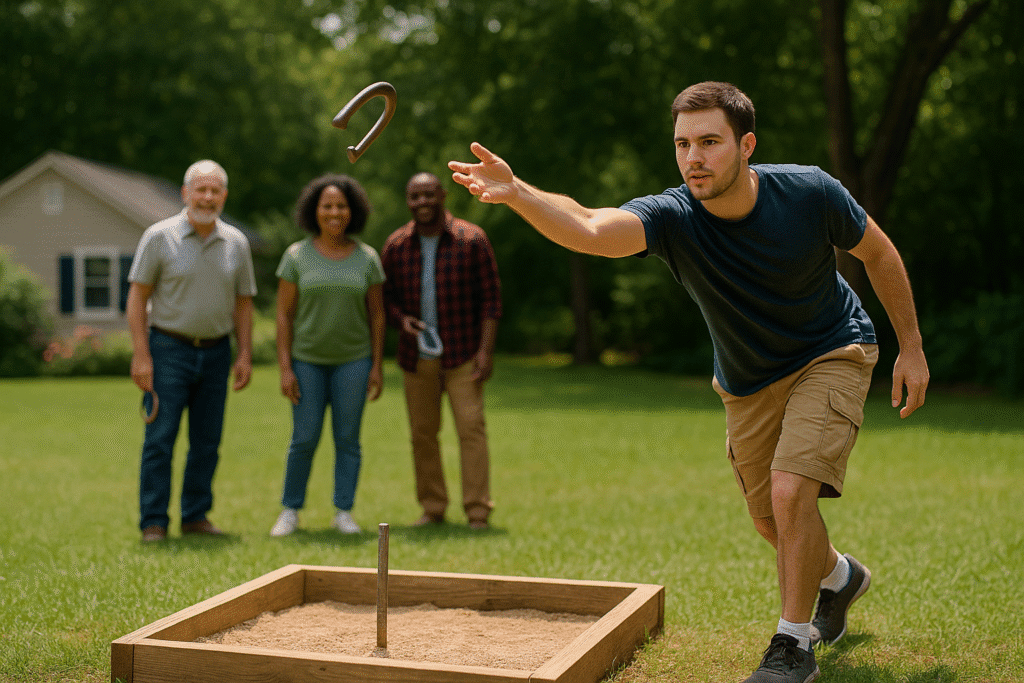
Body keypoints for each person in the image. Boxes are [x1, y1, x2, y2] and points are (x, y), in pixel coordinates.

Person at [447, 82, 929, 682]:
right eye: (683, 144)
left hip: (833, 348)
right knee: (770, 521)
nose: (694, 157)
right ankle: (838, 577)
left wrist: (911, 347)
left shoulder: (809, 191)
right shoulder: (673, 216)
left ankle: (791, 648)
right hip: (748, 378)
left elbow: (879, 255)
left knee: (790, 490)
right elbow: (592, 227)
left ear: (746, 145)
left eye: (709, 142)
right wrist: (518, 193)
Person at [127, 159, 257, 543]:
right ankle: (154, 521)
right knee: (160, 439)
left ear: (224, 196)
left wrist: (245, 353)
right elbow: (137, 297)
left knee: (207, 441)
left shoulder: (237, 242)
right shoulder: (158, 236)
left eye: (215, 190)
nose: (207, 196)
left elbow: (244, 303)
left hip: (217, 352)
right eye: (200, 189)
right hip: (169, 349)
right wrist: (141, 354)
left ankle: (195, 516)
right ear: (185, 194)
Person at [380, 172, 502, 530]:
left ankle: (477, 511)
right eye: (415, 197)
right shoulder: (396, 245)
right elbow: (384, 301)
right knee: (422, 434)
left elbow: (492, 301)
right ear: (408, 201)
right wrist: (401, 321)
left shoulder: (472, 239)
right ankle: (433, 508)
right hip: (417, 358)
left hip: (463, 353)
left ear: (443, 196)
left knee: (471, 430)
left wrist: (486, 351)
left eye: (429, 195)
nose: (422, 203)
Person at [269, 174, 386, 537]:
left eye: (341, 206)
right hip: (307, 362)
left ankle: (343, 511)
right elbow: (284, 315)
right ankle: (290, 510)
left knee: (348, 439)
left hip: (354, 360)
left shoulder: (367, 258)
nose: (334, 212)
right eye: (327, 206)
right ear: (314, 211)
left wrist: (377, 366)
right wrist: (286, 367)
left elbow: (378, 316)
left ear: (353, 212)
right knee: (304, 438)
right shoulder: (296, 256)